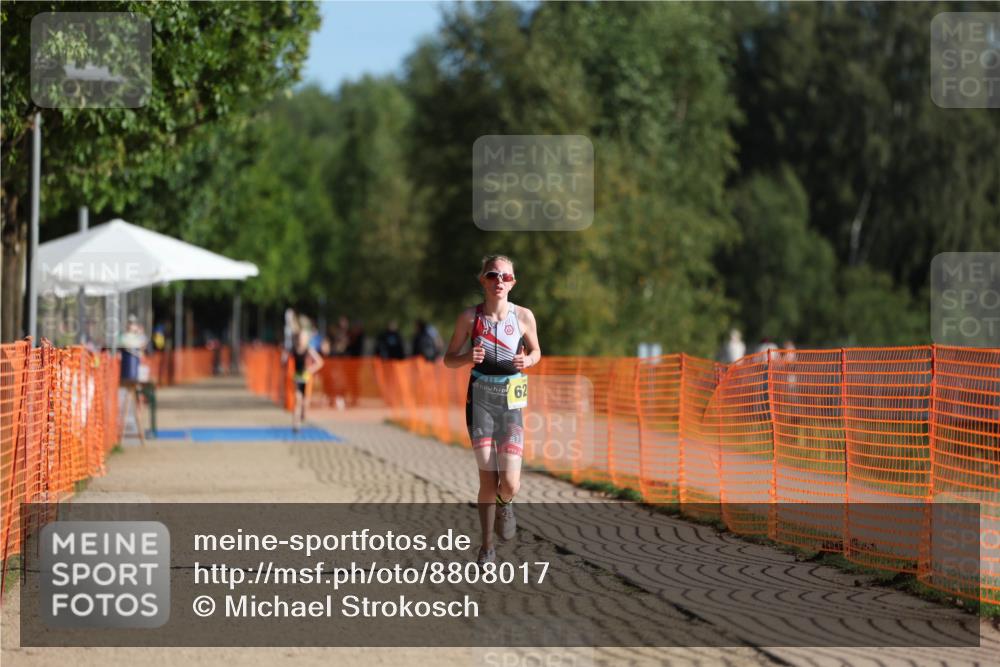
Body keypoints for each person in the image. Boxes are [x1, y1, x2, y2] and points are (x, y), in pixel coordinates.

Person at [443, 254, 541, 566]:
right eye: (492, 276)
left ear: (514, 283)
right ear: (482, 280)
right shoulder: (470, 319)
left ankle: (505, 503)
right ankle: (486, 548)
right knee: (487, 478)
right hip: (481, 400)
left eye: (506, 277)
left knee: (510, 482)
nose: (499, 282)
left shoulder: (524, 316)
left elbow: (537, 351)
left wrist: (529, 361)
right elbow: (449, 358)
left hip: (511, 402)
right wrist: (467, 357)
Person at [291, 329, 324, 434]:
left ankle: (303, 415)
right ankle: (296, 425)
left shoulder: (308, 350)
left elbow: (320, 362)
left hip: (306, 378)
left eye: (303, 338)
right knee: (298, 401)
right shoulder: (294, 349)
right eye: (300, 338)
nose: (301, 340)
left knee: (304, 403)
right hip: (297, 378)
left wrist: (310, 369)